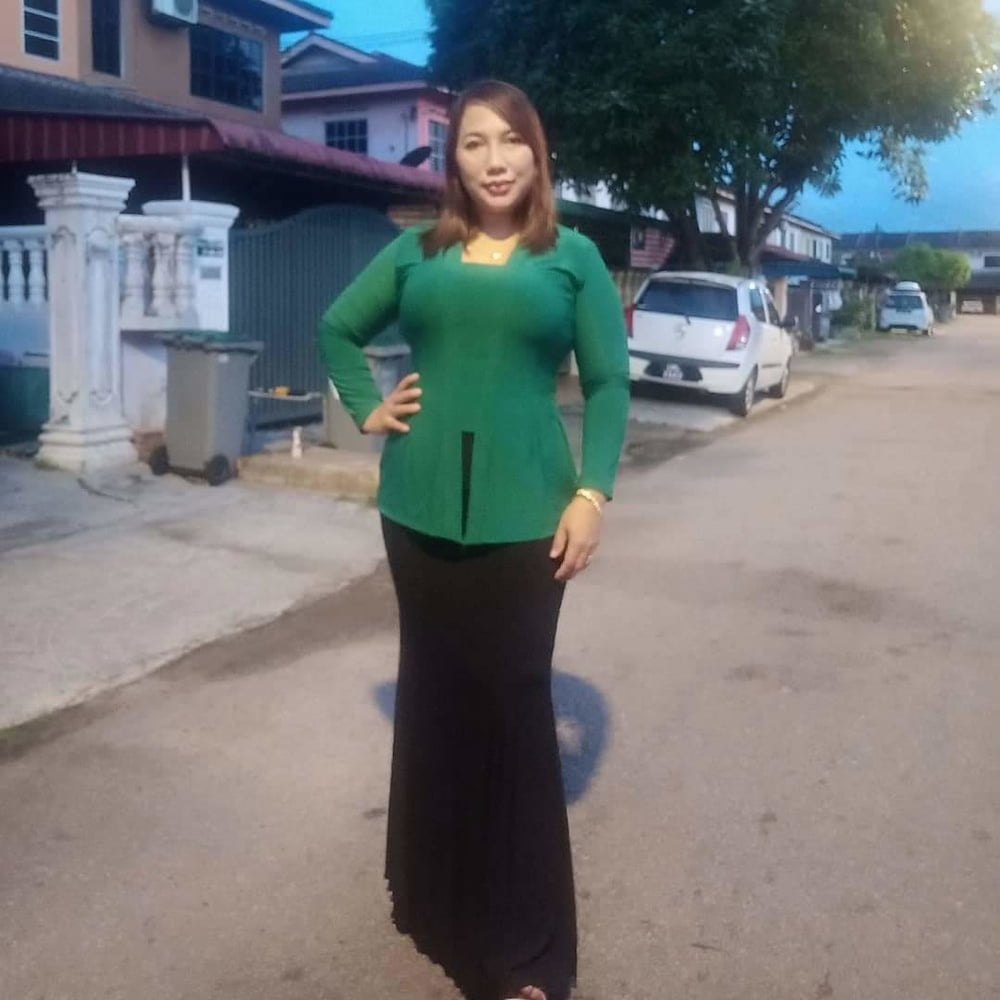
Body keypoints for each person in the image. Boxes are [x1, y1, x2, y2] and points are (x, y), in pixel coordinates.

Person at [318, 79, 630, 1000]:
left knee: (516, 710)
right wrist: (367, 407)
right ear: (453, 159)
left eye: (511, 141)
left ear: (538, 153)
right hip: (416, 511)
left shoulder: (572, 257)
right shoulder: (418, 250)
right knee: (433, 698)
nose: (495, 161)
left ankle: (526, 948)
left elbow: (608, 384)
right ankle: (432, 898)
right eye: (474, 143)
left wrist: (593, 492)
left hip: (528, 519)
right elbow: (337, 327)